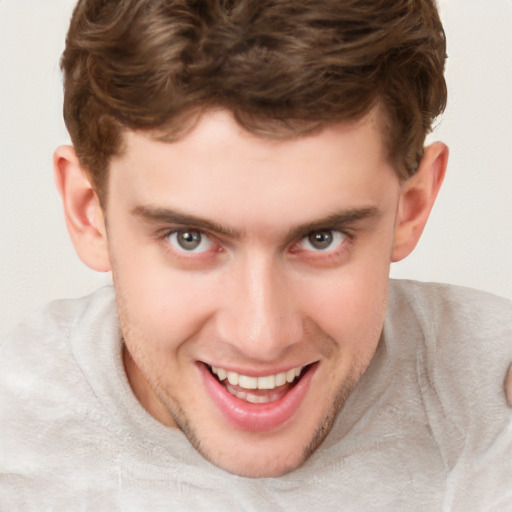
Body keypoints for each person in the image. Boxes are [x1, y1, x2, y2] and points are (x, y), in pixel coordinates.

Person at [1, 0, 511, 510]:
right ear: (89, 212)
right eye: (189, 239)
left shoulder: (494, 411)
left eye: (321, 238)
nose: (261, 337)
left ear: (411, 208)